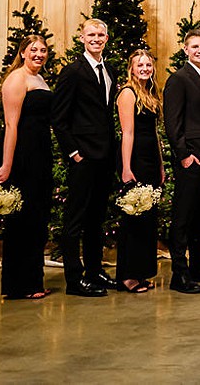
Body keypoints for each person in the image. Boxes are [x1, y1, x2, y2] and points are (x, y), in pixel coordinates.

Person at [51, 19, 117, 297]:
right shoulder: (72, 72)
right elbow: (59, 118)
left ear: (106, 38)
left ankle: (94, 270)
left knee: (96, 218)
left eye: (101, 34)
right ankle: (74, 279)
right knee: (75, 219)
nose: (96, 38)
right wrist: (74, 152)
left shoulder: (110, 70)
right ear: (81, 38)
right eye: (91, 34)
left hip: (105, 156)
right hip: (83, 157)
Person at [163, 29, 200, 294]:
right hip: (190, 159)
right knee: (183, 217)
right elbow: (172, 122)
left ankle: (199, 265)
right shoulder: (179, 79)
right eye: (195, 47)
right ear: (185, 50)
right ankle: (179, 273)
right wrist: (183, 155)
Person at [0, 35, 54, 299]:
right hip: (22, 154)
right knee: (23, 219)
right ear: (23, 52)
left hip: (40, 152)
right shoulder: (16, 79)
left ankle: (34, 280)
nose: (39, 54)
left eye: (43, 50)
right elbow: (11, 125)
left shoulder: (40, 79)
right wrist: (7, 164)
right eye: (34, 50)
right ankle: (20, 285)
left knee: (38, 218)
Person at [115, 49, 165, 294]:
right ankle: (127, 275)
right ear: (132, 68)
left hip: (151, 161)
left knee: (148, 219)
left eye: (148, 65)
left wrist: (161, 165)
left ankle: (143, 271)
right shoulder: (128, 93)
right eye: (140, 65)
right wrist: (126, 167)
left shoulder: (151, 93)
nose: (145, 68)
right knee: (133, 218)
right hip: (135, 160)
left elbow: (154, 133)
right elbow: (128, 133)